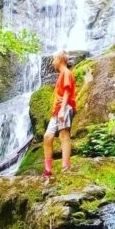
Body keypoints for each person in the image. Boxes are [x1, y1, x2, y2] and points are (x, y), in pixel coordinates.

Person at [42, 50, 76, 180]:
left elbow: (67, 92)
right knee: (48, 136)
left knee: (63, 135)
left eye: (54, 59)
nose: (52, 62)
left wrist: (62, 109)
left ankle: (65, 167)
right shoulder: (61, 74)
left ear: (60, 59)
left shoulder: (66, 73)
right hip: (57, 110)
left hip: (64, 107)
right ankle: (48, 169)